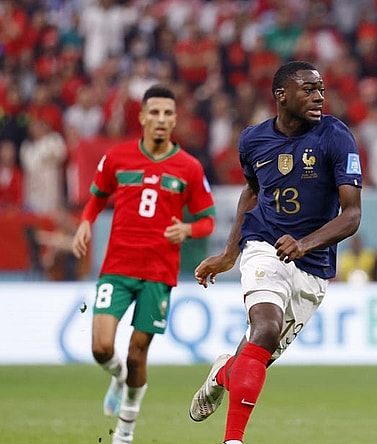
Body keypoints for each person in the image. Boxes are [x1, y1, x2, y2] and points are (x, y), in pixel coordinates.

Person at [188, 61, 362, 444]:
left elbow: (351, 215)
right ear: (281, 96)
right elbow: (252, 193)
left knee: (255, 357)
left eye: (321, 89)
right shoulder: (253, 140)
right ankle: (233, 440)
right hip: (264, 246)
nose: (319, 96)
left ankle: (222, 373)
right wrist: (231, 253)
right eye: (309, 89)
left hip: (312, 267)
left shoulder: (336, 136)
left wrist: (305, 244)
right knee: (264, 328)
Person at [71, 85, 216, 444]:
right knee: (102, 348)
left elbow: (208, 219)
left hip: (158, 272)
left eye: (168, 114)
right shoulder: (118, 157)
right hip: (117, 266)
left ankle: (124, 432)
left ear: (175, 119)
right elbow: (96, 197)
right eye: (154, 113)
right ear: (142, 117)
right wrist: (86, 222)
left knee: (138, 353)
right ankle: (117, 378)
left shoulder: (189, 167)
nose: (161, 120)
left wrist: (188, 228)